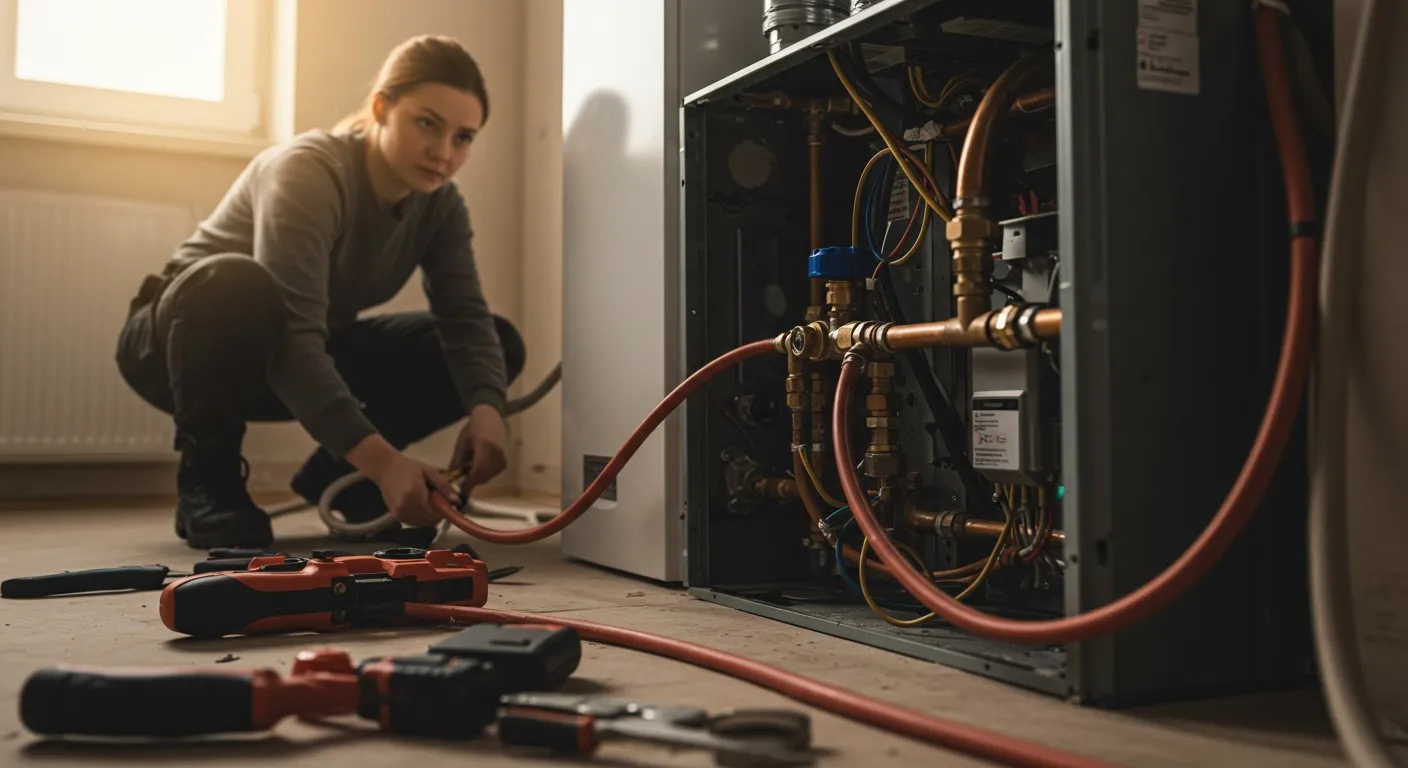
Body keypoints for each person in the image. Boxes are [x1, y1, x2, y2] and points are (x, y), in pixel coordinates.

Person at [114, 35, 524, 550]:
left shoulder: (440, 206)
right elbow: (291, 337)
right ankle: (209, 484)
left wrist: (488, 411)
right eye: (427, 124)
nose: (443, 153)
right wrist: (385, 462)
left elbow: (465, 320)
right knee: (234, 282)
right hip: (177, 343)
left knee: (499, 343)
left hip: (297, 349)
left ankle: (342, 482)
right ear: (381, 108)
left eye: (463, 138)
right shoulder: (308, 171)